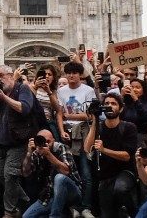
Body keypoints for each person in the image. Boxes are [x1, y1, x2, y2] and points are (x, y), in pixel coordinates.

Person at [0, 62, 38, 218]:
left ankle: (9, 211)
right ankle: (25, 199)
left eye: (1, 76)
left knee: (10, 175)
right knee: (0, 175)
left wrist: (3, 97)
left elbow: (24, 108)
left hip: (19, 142)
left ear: (11, 76)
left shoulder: (22, 89)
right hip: (2, 144)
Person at [83, 92, 138, 218]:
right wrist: (95, 121)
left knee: (120, 188)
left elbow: (127, 156)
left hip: (125, 172)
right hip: (105, 176)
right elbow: (87, 148)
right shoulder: (99, 127)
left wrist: (104, 150)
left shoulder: (129, 127)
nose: (110, 106)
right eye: (106, 104)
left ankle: (133, 213)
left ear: (121, 108)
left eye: (113, 103)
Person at [56, 61, 96, 217]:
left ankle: (86, 207)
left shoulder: (88, 90)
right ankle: (73, 206)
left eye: (74, 72)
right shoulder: (61, 91)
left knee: (86, 172)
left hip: (84, 133)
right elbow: (59, 113)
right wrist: (61, 130)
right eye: (69, 73)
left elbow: (91, 115)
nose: (71, 75)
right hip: (68, 133)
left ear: (80, 74)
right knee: (70, 172)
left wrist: (70, 115)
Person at [19, 129, 81, 218]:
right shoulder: (37, 151)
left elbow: (66, 171)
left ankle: (54, 215)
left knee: (59, 178)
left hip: (72, 192)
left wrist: (48, 154)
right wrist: (29, 153)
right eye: (42, 141)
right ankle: (65, 211)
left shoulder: (61, 147)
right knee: (26, 216)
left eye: (48, 141)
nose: (46, 144)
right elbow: (25, 173)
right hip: (49, 196)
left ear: (54, 140)